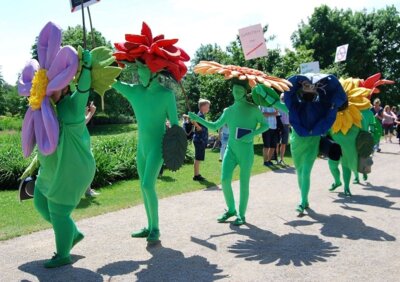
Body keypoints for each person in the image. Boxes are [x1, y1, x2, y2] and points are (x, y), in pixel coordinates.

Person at [112, 22, 189, 243]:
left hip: (157, 146)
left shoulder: (166, 95)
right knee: (142, 186)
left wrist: (176, 144)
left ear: (154, 72)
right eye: (137, 71)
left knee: (148, 185)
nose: (137, 76)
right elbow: (114, 84)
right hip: (142, 148)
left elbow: (175, 124)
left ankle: (155, 228)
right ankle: (148, 225)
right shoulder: (135, 92)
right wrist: (101, 67)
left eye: (142, 71)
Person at [193, 98, 211, 181]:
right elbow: (198, 129)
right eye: (208, 106)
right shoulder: (200, 116)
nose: (208, 108)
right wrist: (198, 126)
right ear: (203, 107)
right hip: (199, 140)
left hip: (200, 139)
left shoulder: (201, 115)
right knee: (198, 158)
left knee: (198, 158)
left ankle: (197, 174)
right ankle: (196, 175)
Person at [85, 101, 99, 197]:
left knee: (88, 166)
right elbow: (82, 122)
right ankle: (87, 190)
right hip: (81, 144)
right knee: (89, 165)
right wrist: (91, 112)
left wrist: (88, 113)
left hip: (84, 143)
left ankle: (88, 189)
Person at [276, 93, 290, 166]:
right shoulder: (278, 105)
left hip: (286, 125)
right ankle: (277, 160)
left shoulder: (289, 106)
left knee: (284, 143)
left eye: (284, 97)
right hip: (279, 125)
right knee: (277, 143)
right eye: (282, 97)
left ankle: (281, 159)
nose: (283, 99)